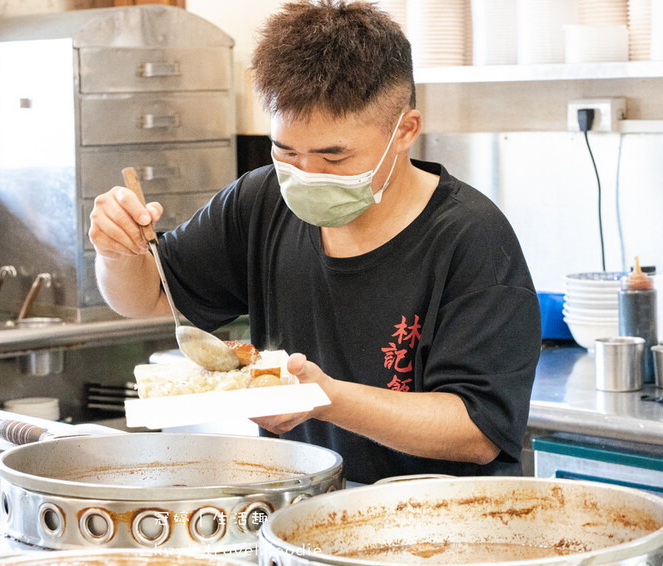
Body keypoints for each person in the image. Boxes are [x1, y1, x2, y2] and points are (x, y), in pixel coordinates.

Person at [89, 0, 541, 483]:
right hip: (301, 517)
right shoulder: (260, 201)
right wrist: (117, 252)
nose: (305, 175)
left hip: (441, 531)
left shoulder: (471, 238)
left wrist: (326, 399)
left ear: (404, 130)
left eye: (334, 157)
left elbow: (478, 431)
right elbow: (147, 298)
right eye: (286, 151)